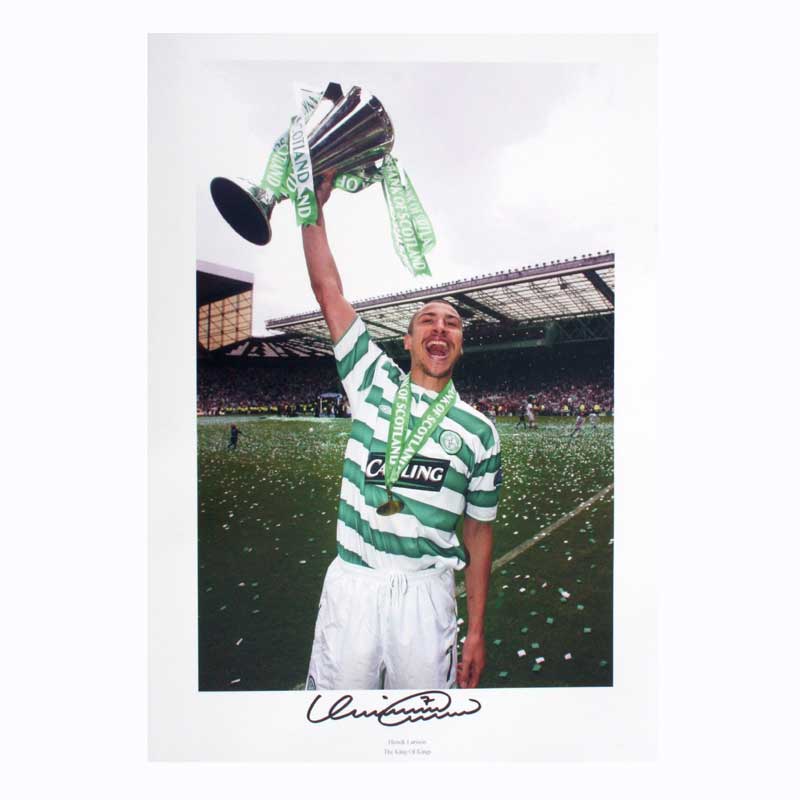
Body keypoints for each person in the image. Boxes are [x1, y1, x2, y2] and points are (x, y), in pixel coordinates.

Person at [302, 172, 502, 691]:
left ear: (460, 345)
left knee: (421, 733)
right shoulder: (371, 380)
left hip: (426, 597)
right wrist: (314, 210)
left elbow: (479, 536)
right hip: (355, 587)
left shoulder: (479, 432)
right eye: (427, 322)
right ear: (408, 341)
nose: (440, 328)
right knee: (337, 729)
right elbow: (329, 292)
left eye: (453, 323)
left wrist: (476, 632)